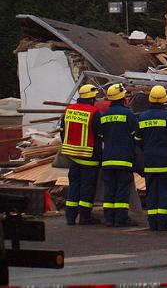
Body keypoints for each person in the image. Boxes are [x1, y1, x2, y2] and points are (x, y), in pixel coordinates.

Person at [135, 85, 167, 231]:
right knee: (165, 192)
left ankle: (153, 222)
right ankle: (163, 223)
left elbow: (137, 139)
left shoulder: (142, 117)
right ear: (164, 100)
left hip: (150, 162)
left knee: (152, 192)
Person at [59, 84, 103, 225]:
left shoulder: (68, 110)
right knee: (87, 188)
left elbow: (62, 131)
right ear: (91, 98)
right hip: (89, 157)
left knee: (74, 186)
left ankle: (70, 217)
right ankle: (85, 216)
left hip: (72, 156)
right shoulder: (93, 112)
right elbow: (100, 134)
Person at [99, 83, 139, 227]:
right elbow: (136, 137)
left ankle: (109, 218)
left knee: (109, 190)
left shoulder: (104, 116)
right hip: (124, 159)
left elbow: (102, 136)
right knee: (122, 190)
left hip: (108, 159)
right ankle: (121, 219)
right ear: (123, 98)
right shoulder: (128, 115)